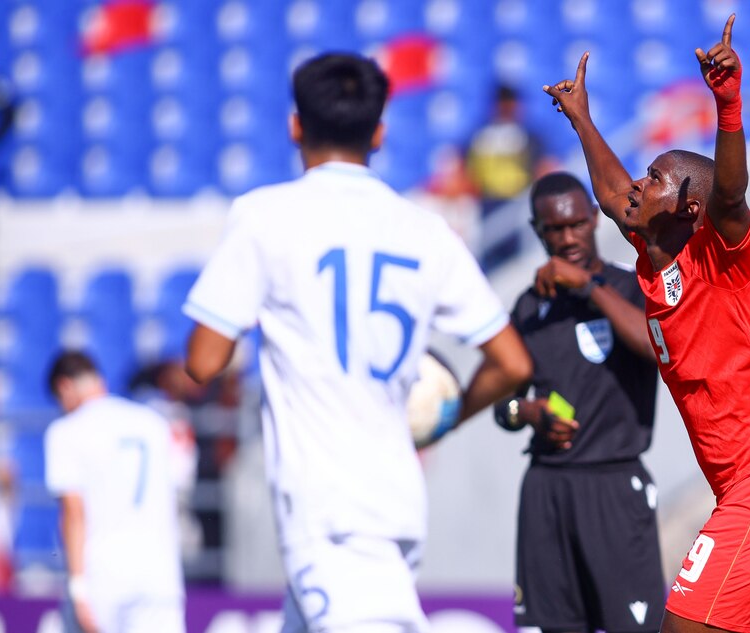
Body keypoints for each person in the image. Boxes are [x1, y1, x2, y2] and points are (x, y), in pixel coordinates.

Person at [182, 52, 532, 633]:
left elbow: (203, 361)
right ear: (380, 132)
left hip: (328, 506)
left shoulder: (266, 216)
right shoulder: (425, 231)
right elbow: (513, 362)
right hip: (396, 495)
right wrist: (442, 418)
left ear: (296, 125)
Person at [544, 15, 750, 633]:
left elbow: (729, 194)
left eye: (656, 179)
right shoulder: (653, 259)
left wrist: (727, 102)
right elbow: (615, 196)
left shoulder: (719, 255)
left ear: (688, 207)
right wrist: (581, 117)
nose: (639, 185)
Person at [493, 171, 665, 633]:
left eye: (576, 224)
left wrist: (587, 287)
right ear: (537, 231)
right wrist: (528, 413)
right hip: (546, 491)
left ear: (594, 218)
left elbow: (657, 348)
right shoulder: (529, 308)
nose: (567, 238)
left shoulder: (631, 288)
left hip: (613, 484)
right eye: (554, 229)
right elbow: (502, 407)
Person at [44, 351, 185, 633]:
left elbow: (73, 513)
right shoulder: (153, 422)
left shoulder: (67, 430)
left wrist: (78, 587)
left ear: (65, 387)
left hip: (104, 576)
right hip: (160, 572)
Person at [466, 84, 556, 270]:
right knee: (492, 264)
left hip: (518, 205)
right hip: (488, 205)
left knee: (516, 264)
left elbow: (543, 167)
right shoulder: (480, 136)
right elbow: (466, 170)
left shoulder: (528, 136)